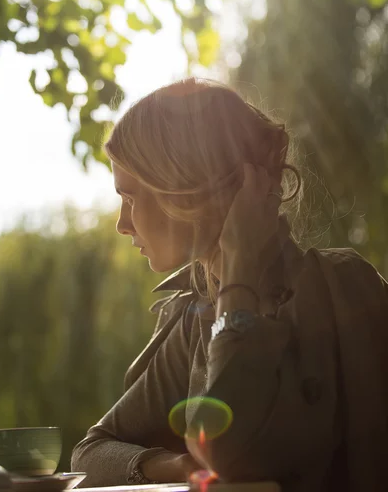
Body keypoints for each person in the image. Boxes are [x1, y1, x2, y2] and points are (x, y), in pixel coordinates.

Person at [71, 78, 388, 492]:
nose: (121, 223)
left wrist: (239, 269)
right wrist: (176, 467)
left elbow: (223, 450)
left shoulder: (345, 289)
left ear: (185, 189)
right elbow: (90, 453)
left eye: (130, 197)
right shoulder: (193, 320)